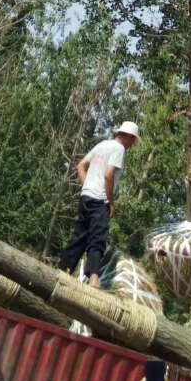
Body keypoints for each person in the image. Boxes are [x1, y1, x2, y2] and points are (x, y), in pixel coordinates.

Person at [60, 121, 139, 287]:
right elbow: (109, 175)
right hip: (100, 200)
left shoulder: (102, 144)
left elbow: (81, 166)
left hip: (86, 197)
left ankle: (64, 270)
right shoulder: (119, 149)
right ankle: (94, 278)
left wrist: (87, 186)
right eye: (133, 140)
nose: (132, 145)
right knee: (98, 237)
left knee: (80, 236)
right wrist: (110, 202)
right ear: (128, 136)